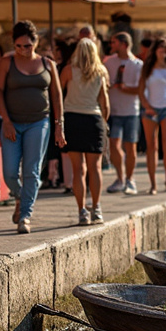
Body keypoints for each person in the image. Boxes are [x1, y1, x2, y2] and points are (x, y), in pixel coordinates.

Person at [0, 20, 65, 233]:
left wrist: (59, 126)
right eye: (19, 46)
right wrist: (5, 120)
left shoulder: (47, 64)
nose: (24, 50)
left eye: (28, 46)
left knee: (32, 171)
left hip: (39, 122)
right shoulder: (6, 62)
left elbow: (57, 96)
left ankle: (25, 215)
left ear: (36, 42)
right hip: (12, 123)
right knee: (9, 172)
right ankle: (19, 196)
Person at [60, 37, 110, 225]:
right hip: (94, 118)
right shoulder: (101, 72)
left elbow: (58, 92)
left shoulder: (68, 70)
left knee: (78, 169)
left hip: (72, 117)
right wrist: (105, 122)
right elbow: (104, 101)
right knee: (95, 168)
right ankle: (96, 208)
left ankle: (82, 210)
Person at [138, 38, 166, 194]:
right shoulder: (147, 68)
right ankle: (153, 184)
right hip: (151, 109)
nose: (165, 50)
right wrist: (147, 106)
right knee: (152, 146)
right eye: (162, 47)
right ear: (155, 49)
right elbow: (141, 90)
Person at [103, 32, 142, 195]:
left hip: (131, 111)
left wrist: (124, 88)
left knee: (130, 146)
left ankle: (130, 179)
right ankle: (120, 177)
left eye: (114, 42)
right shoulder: (108, 62)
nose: (111, 45)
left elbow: (141, 89)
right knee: (113, 145)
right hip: (113, 110)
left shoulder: (137, 64)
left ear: (124, 44)